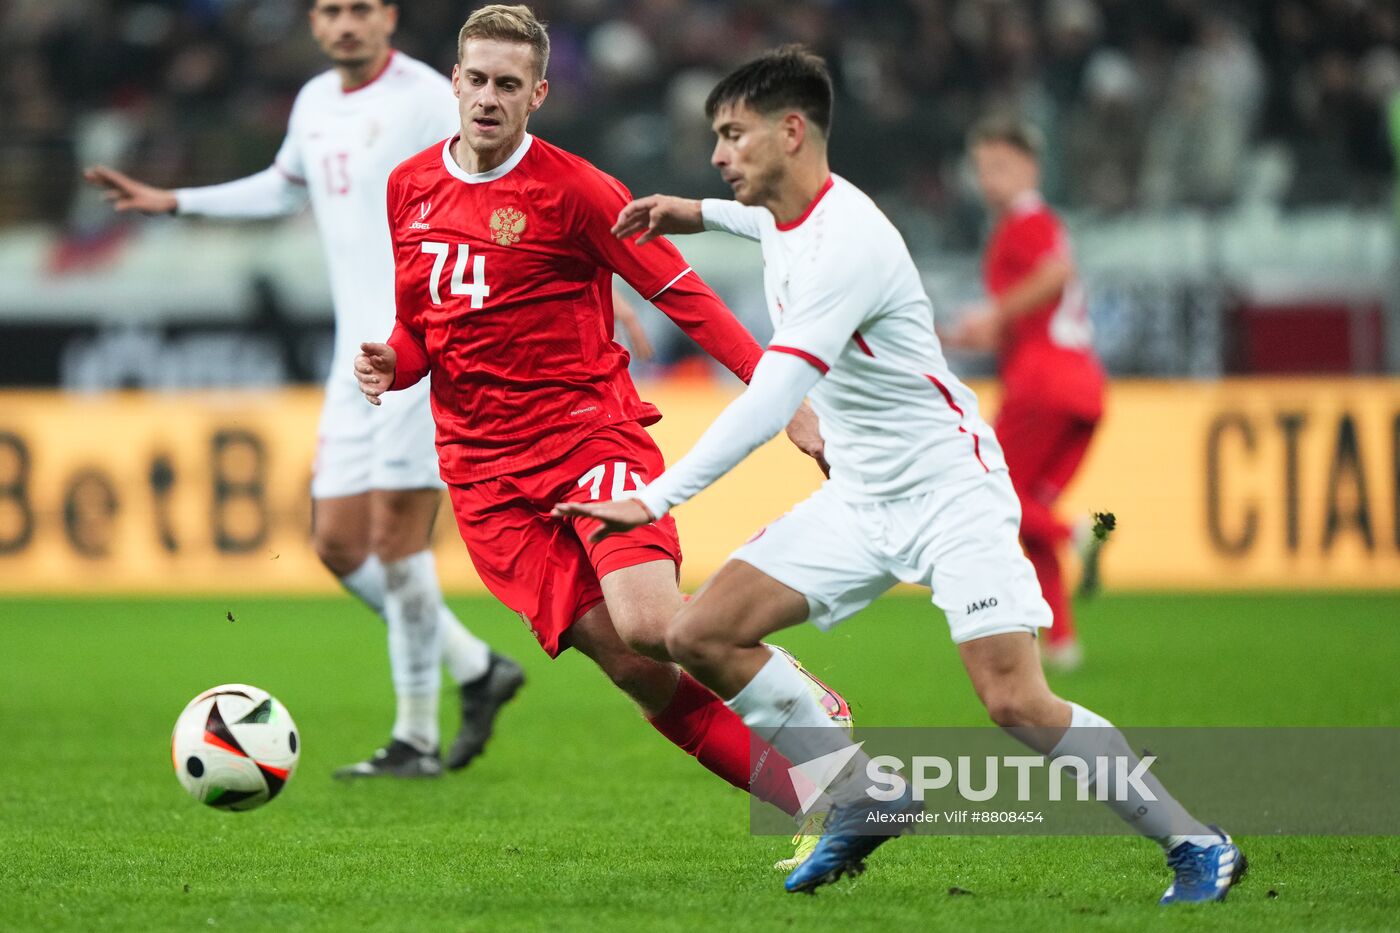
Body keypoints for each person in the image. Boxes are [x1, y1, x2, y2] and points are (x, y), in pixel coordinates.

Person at [560, 46, 1244, 903]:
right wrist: (685, 212)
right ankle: (861, 793)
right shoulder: (783, 213)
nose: (718, 155)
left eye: (733, 135)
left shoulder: (849, 245)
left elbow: (773, 399)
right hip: (861, 497)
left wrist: (656, 499)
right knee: (701, 635)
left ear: (792, 132)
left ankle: (1196, 840)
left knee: (1016, 703)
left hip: (948, 490)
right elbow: (751, 223)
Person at [352, 4, 850, 869]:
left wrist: (784, 392)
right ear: (456, 79)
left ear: (538, 93)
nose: (489, 98)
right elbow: (420, 331)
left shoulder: (576, 189)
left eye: (510, 84)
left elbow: (681, 293)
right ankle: (822, 799)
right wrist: (389, 364)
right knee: (635, 670)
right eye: (477, 79)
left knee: (653, 621)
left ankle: (817, 715)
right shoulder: (408, 189)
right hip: (487, 482)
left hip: (589, 439)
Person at [83, 0, 523, 778]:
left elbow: (504, 180)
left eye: (360, 8)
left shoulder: (428, 95)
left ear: (387, 16)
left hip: (421, 345)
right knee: (337, 543)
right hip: (349, 353)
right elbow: (283, 188)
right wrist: (175, 201)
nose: (345, 23)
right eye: (330, 10)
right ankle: (478, 666)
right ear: (315, 23)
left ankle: (416, 738)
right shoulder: (315, 102)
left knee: (395, 542)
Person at [943, 116, 1108, 672]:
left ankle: (1079, 534)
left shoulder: (1025, 220)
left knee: (991, 495)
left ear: (1031, 168)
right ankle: (1062, 642)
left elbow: (1057, 274)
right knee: (1026, 504)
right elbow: (1018, 311)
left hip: (1041, 383)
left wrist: (993, 311)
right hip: (1083, 386)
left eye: (1000, 166)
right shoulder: (1039, 223)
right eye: (982, 167)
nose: (988, 178)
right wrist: (969, 330)